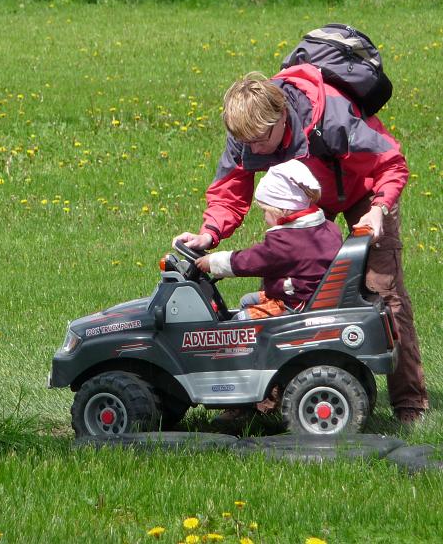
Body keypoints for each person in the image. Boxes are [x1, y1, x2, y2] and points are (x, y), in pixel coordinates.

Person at [174, 66, 428, 424]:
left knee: (382, 292)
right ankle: (269, 399)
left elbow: (390, 162)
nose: (255, 150)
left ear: (281, 116)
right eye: (246, 143)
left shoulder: (334, 116)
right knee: (288, 290)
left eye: (261, 141)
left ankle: (409, 403)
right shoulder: (248, 133)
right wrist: (209, 232)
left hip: (366, 193)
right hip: (305, 202)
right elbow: (229, 191)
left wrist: (379, 209)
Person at [194, 160, 342, 321]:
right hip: (302, 293)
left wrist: (213, 262)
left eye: (265, 210)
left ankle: (241, 346)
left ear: (282, 209)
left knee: (240, 322)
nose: (264, 216)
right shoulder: (327, 228)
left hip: (295, 305)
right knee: (247, 301)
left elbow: (251, 260)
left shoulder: (286, 242)